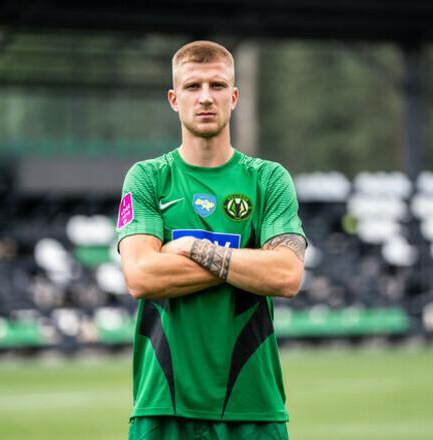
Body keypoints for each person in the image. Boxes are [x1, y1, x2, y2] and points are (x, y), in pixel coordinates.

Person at [117, 40, 306, 440]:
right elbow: (141, 276)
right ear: (174, 99)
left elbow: (287, 275)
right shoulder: (148, 178)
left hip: (253, 407)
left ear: (234, 97)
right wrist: (250, 261)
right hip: (163, 407)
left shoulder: (268, 180)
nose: (205, 97)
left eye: (217, 85)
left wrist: (191, 248)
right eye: (192, 86)